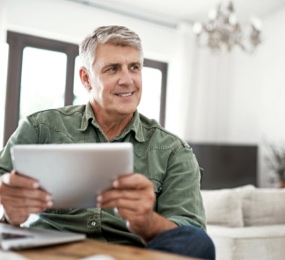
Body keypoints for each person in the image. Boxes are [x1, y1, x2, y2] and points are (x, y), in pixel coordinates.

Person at [0, 25, 215, 259]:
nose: (127, 80)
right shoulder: (40, 127)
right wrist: (10, 209)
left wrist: (147, 221)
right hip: (51, 251)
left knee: (198, 242)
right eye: (112, 69)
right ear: (86, 78)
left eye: (134, 67)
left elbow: (188, 231)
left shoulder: (174, 151)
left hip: (130, 254)